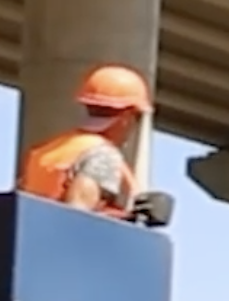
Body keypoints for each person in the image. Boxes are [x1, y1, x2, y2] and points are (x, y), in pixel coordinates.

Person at [19, 64, 150, 216]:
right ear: (127, 118)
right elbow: (78, 218)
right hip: (62, 238)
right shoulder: (101, 154)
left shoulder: (47, 151)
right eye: (137, 118)